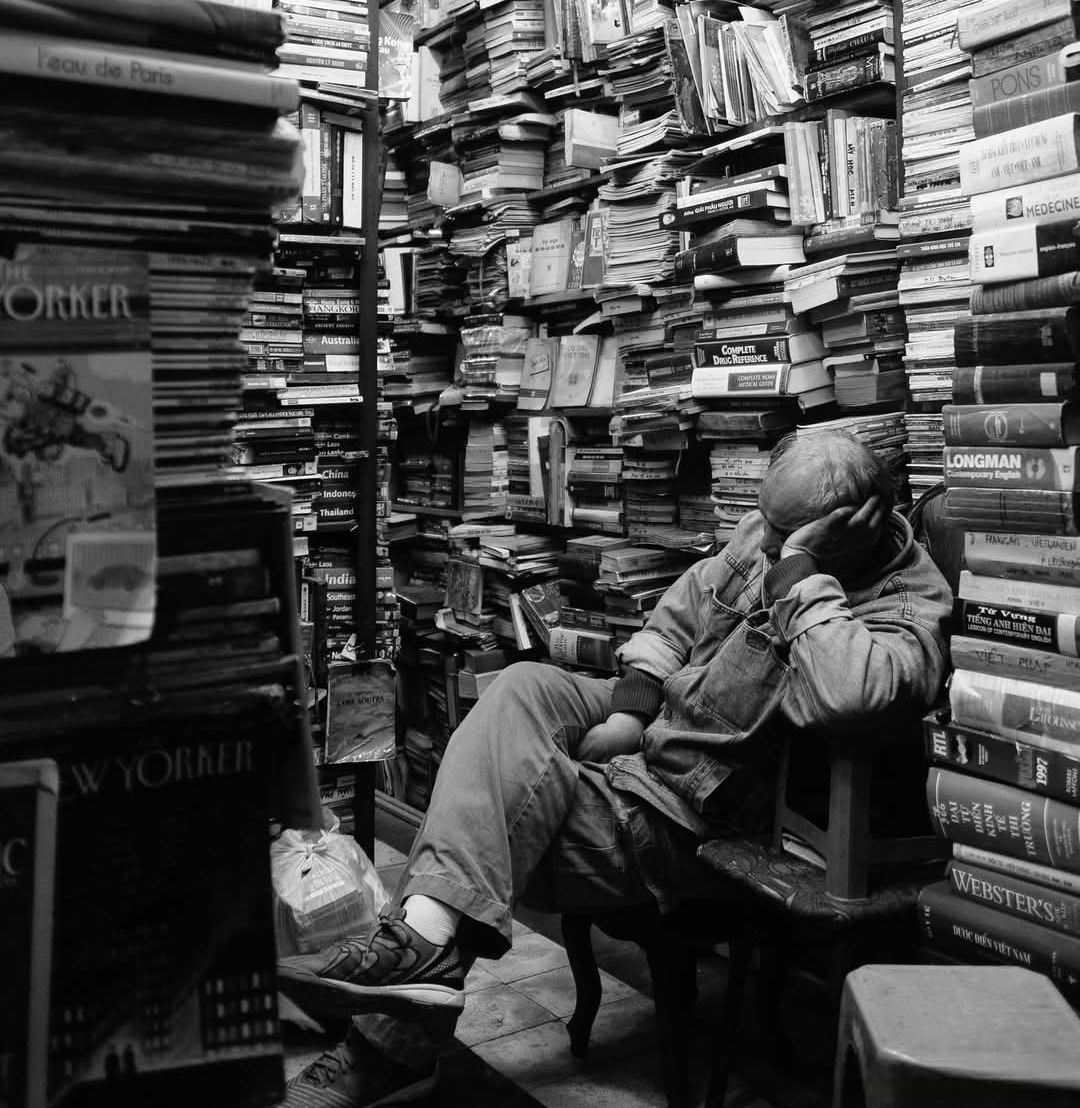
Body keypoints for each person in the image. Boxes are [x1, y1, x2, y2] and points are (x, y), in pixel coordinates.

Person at [278, 430, 953, 1107]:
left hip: (686, 805)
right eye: (768, 524)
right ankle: (424, 950)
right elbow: (674, 619)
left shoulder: (906, 605)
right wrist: (631, 710)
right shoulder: (765, 531)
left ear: (853, 527)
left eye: (787, 535)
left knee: (481, 823)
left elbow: (851, 696)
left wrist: (804, 575)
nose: (765, 543)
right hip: (659, 727)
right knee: (521, 687)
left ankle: (396, 1009)